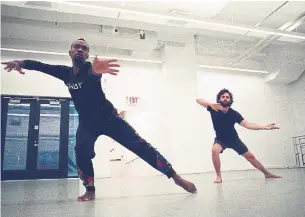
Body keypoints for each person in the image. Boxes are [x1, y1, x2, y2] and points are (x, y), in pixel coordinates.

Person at [2, 38, 197, 201]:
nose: (80, 49)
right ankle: (90, 189)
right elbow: (41, 66)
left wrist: (96, 72)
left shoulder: (89, 69)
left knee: (141, 146)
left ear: (87, 55)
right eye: (77, 47)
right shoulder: (65, 73)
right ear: (70, 52)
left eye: (84, 48)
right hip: (87, 123)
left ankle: (175, 177)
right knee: (81, 151)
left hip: (109, 118)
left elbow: (93, 76)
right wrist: (22, 63)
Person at [196, 89, 282, 183]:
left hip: (234, 140)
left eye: (227, 97)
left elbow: (247, 124)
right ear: (219, 99)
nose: (225, 98)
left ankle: (267, 174)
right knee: (214, 151)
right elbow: (198, 100)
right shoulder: (213, 109)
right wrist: (210, 103)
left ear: (230, 100)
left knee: (251, 157)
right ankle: (218, 176)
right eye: (223, 97)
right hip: (220, 140)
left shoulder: (234, 114)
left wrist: (263, 126)